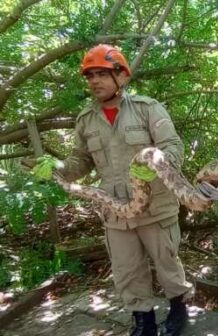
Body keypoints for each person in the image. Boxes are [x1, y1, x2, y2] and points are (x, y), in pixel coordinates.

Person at [32, 44, 192, 336]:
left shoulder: (148, 108)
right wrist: (56, 167)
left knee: (167, 264)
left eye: (102, 74)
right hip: (116, 213)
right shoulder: (86, 119)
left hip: (156, 207)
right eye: (90, 75)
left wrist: (158, 162)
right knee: (127, 270)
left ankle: (179, 311)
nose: (94, 81)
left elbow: (173, 146)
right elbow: (80, 161)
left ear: (123, 77)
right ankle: (143, 323)